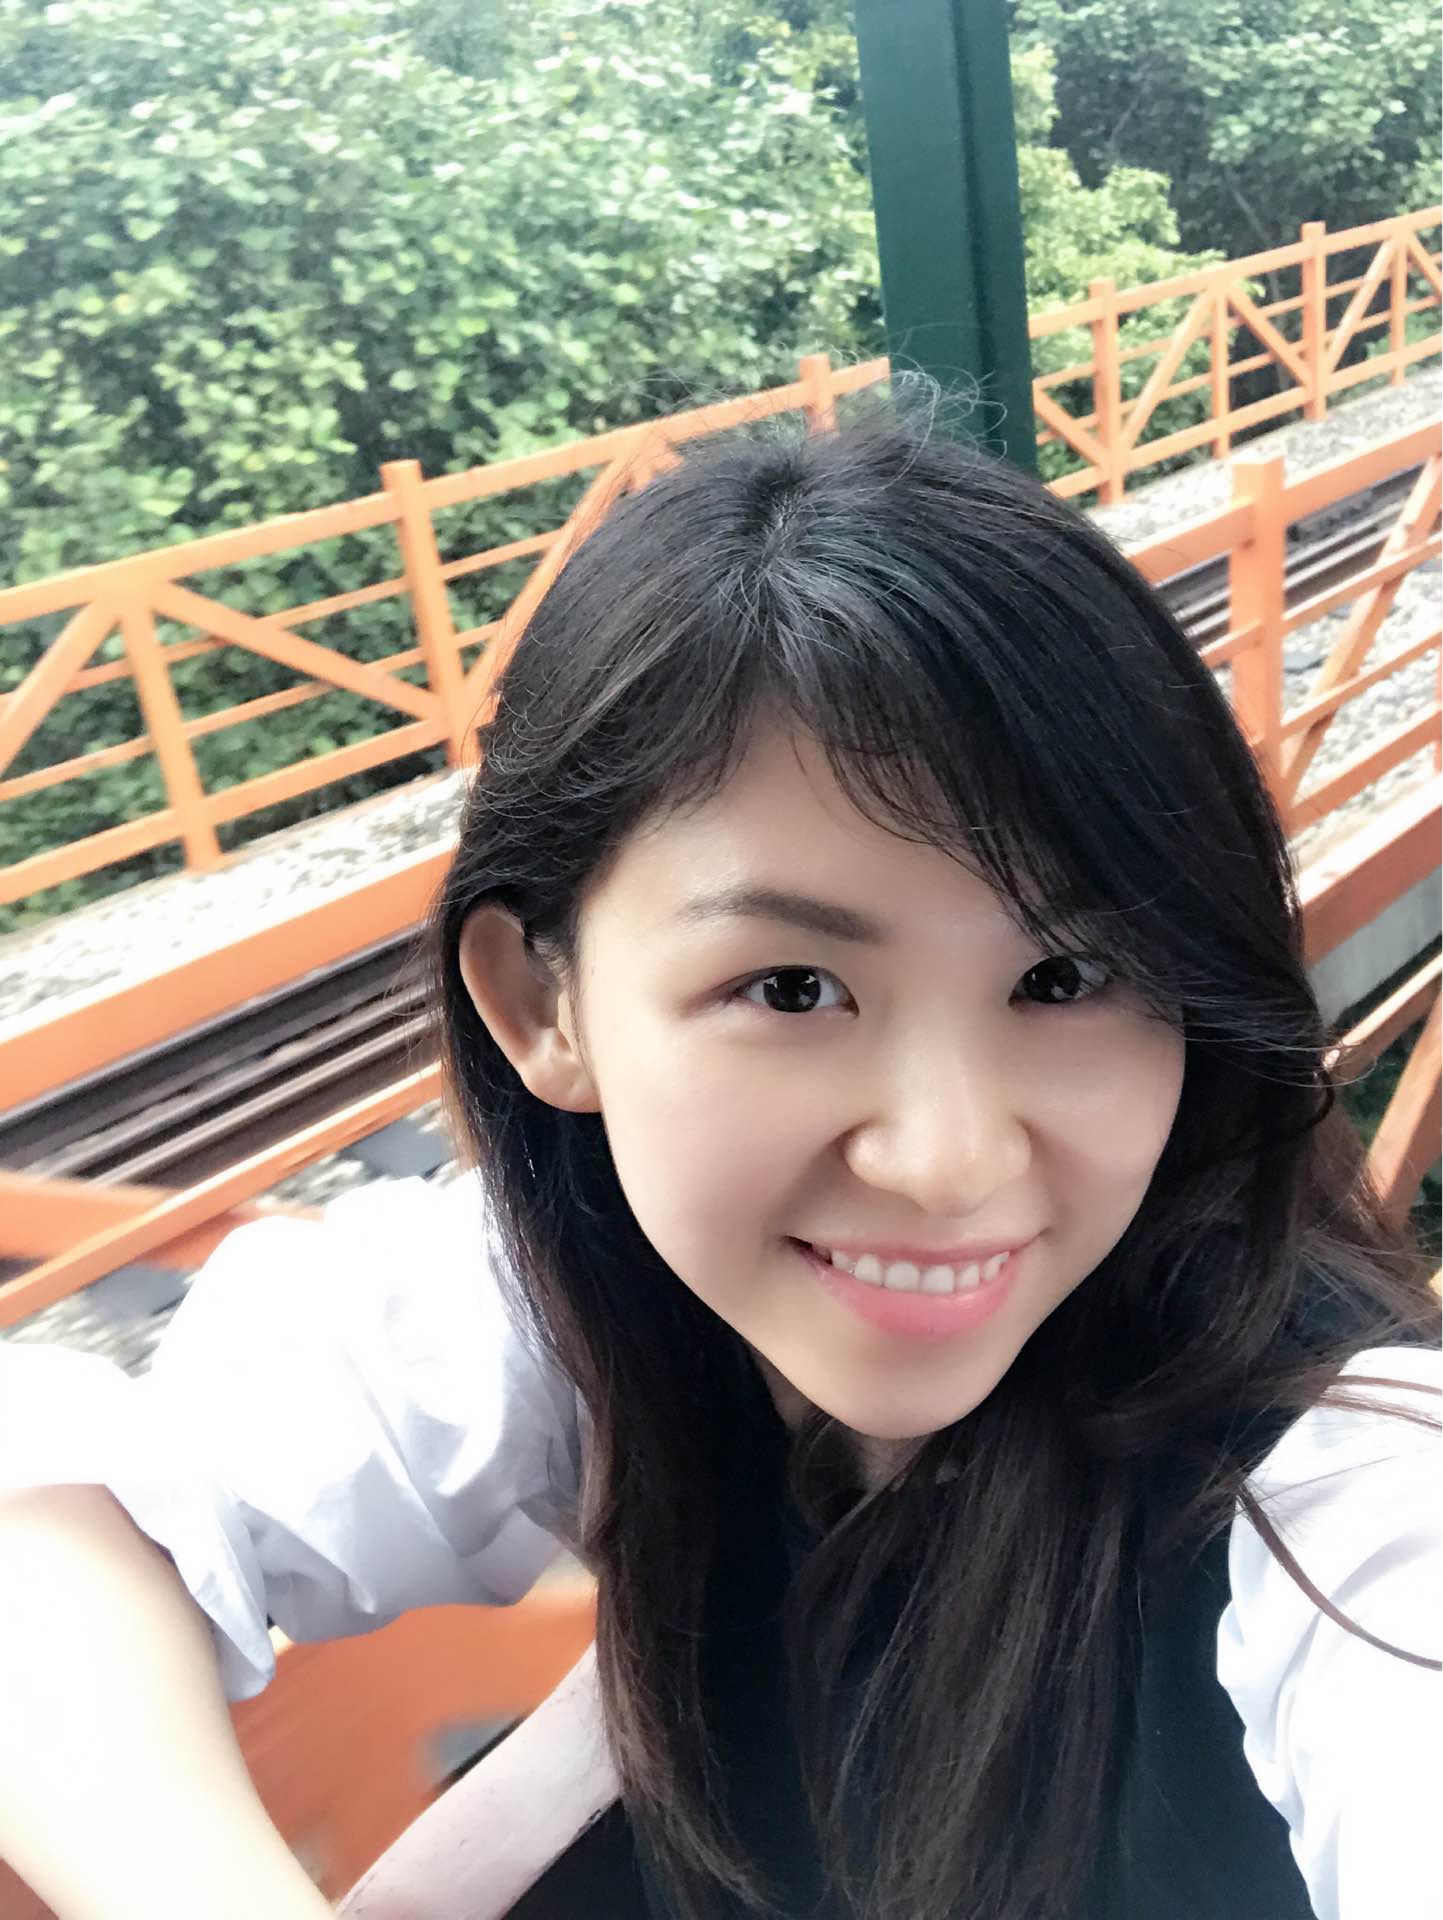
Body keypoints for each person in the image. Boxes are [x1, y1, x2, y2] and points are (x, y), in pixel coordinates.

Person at [0, 394, 1437, 1920]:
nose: (947, 1160)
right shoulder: (589, 1284)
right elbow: (48, 1510)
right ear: (541, 1005)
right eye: (793, 989)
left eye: (1068, 980)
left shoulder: (1352, 1498)